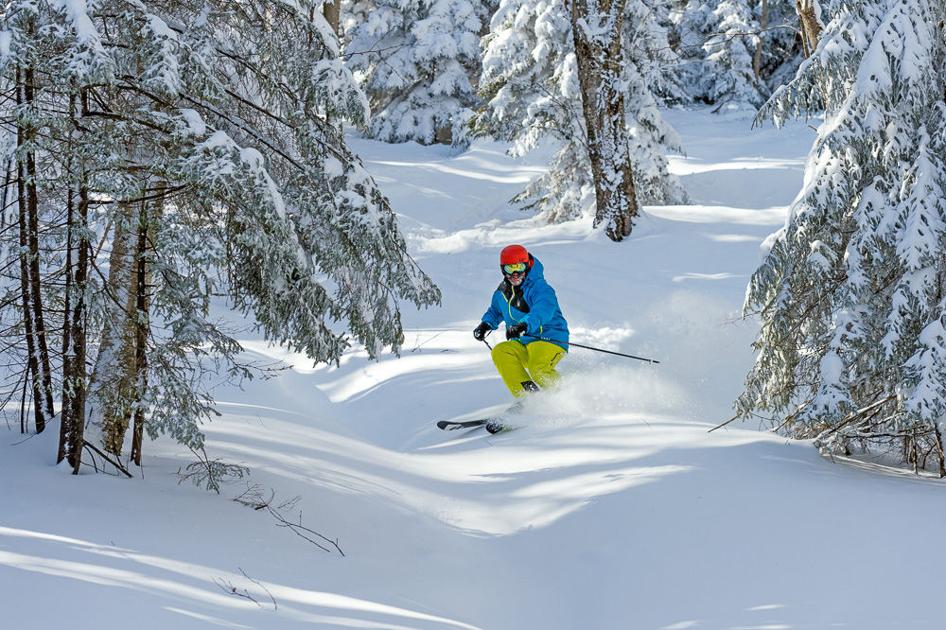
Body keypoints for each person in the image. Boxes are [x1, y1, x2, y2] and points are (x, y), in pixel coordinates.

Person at [473, 244, 569, 398]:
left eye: (519, 267)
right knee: (501, 351)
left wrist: (524, 325)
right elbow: (496, 311)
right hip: (524, 342)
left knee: (538, 368)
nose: (515, 274)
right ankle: (529, 398)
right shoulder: (502, 292)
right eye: (510, 269)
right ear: (503, 270)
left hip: (550, 338)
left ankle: (567, 397)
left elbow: (543, 309)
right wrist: (485, 324)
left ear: (527, 265)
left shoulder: (540, 288)